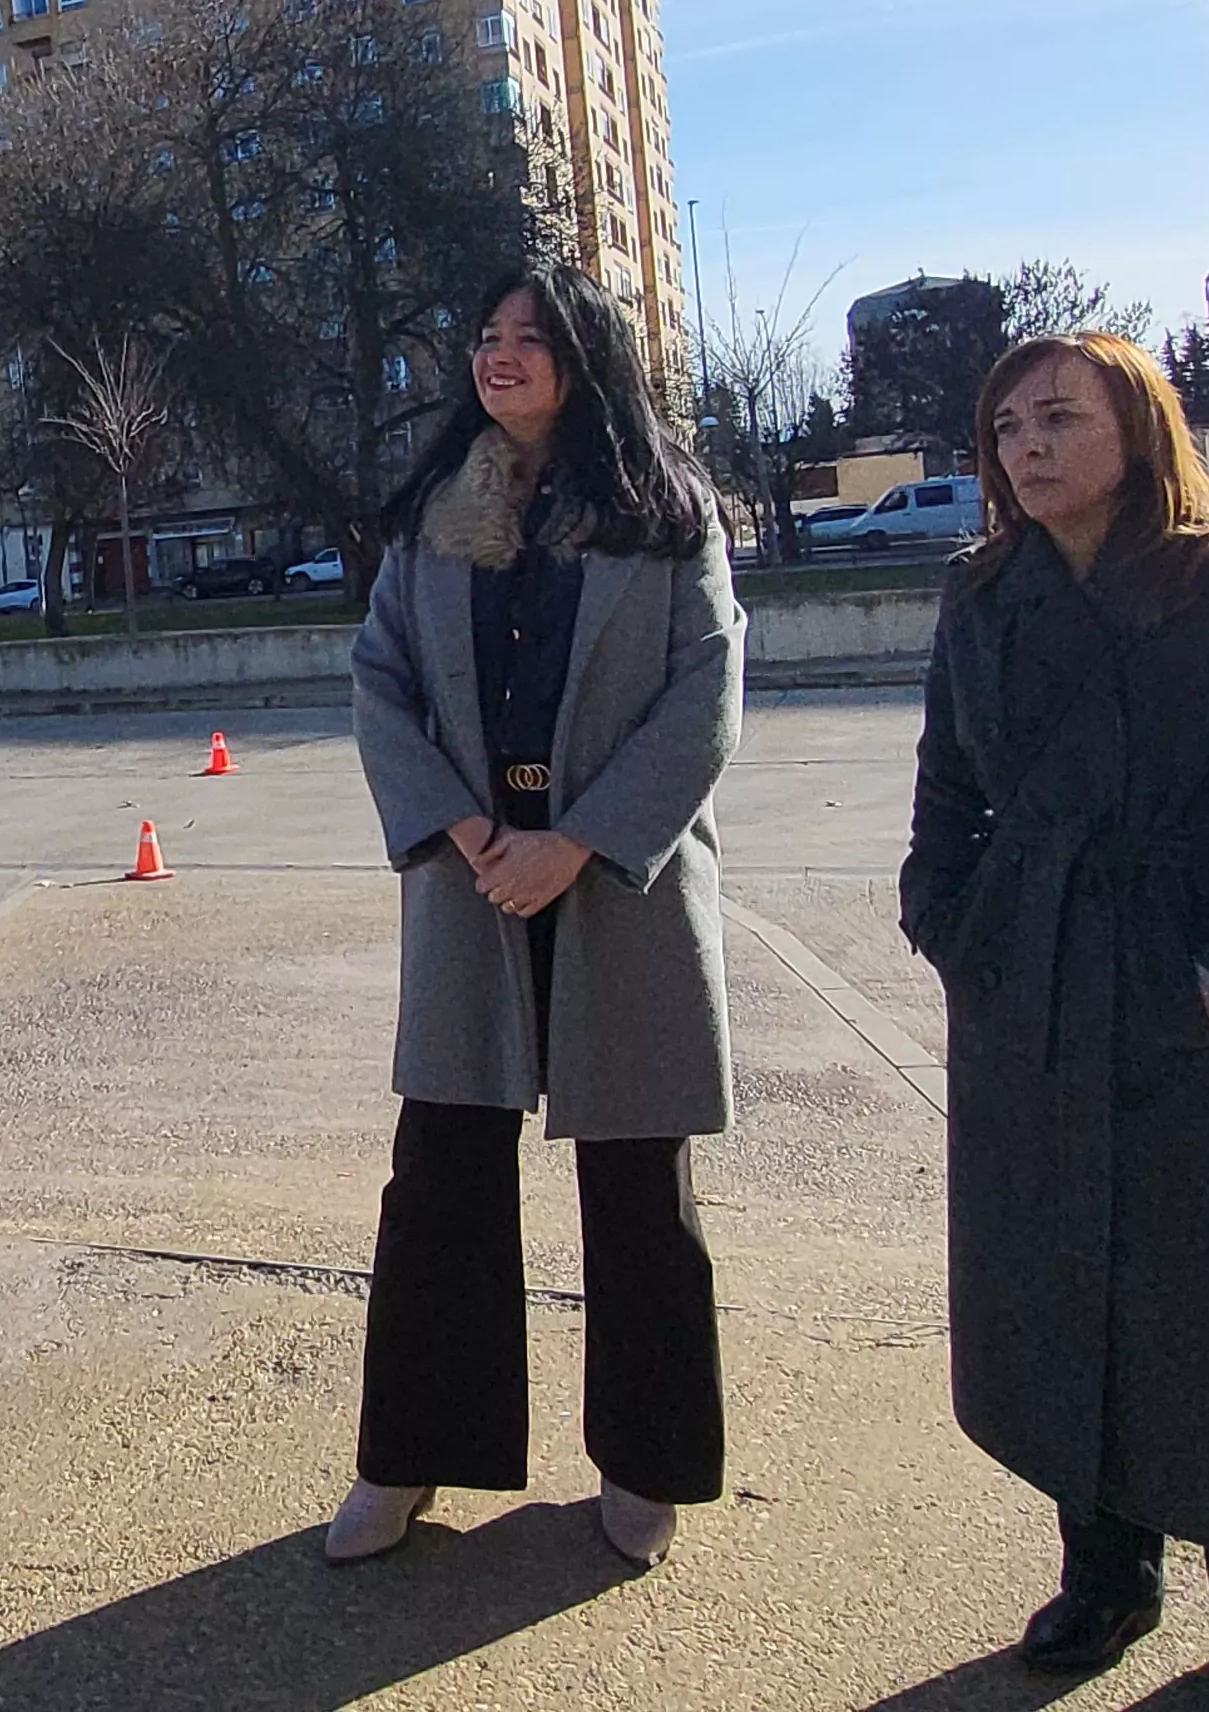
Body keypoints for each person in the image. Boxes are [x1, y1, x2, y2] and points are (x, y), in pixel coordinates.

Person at [901, 334, 1209, 1712]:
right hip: (1028, 986)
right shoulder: (982, 592)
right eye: (1004, 426)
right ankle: (1103, 1574)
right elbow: (945, 792)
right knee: (1058, 1291)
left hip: (1189, 980)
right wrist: (952, 929)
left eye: (1060, 416)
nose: (1027, 446)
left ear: (1137, 426)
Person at [333, 265, 744, 1572]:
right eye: (485, 333)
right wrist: (465, 832)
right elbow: (378, 683)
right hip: (470, 878)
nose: (499, 357)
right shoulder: (427, 516)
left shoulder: (667, 514)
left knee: (637, 1193)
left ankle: (647, 1464)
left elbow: (704, 700)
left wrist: (577, 844)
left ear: (587, 358)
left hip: (616, 884)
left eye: (531, 338)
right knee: (440, 1179)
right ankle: (406, 1461)